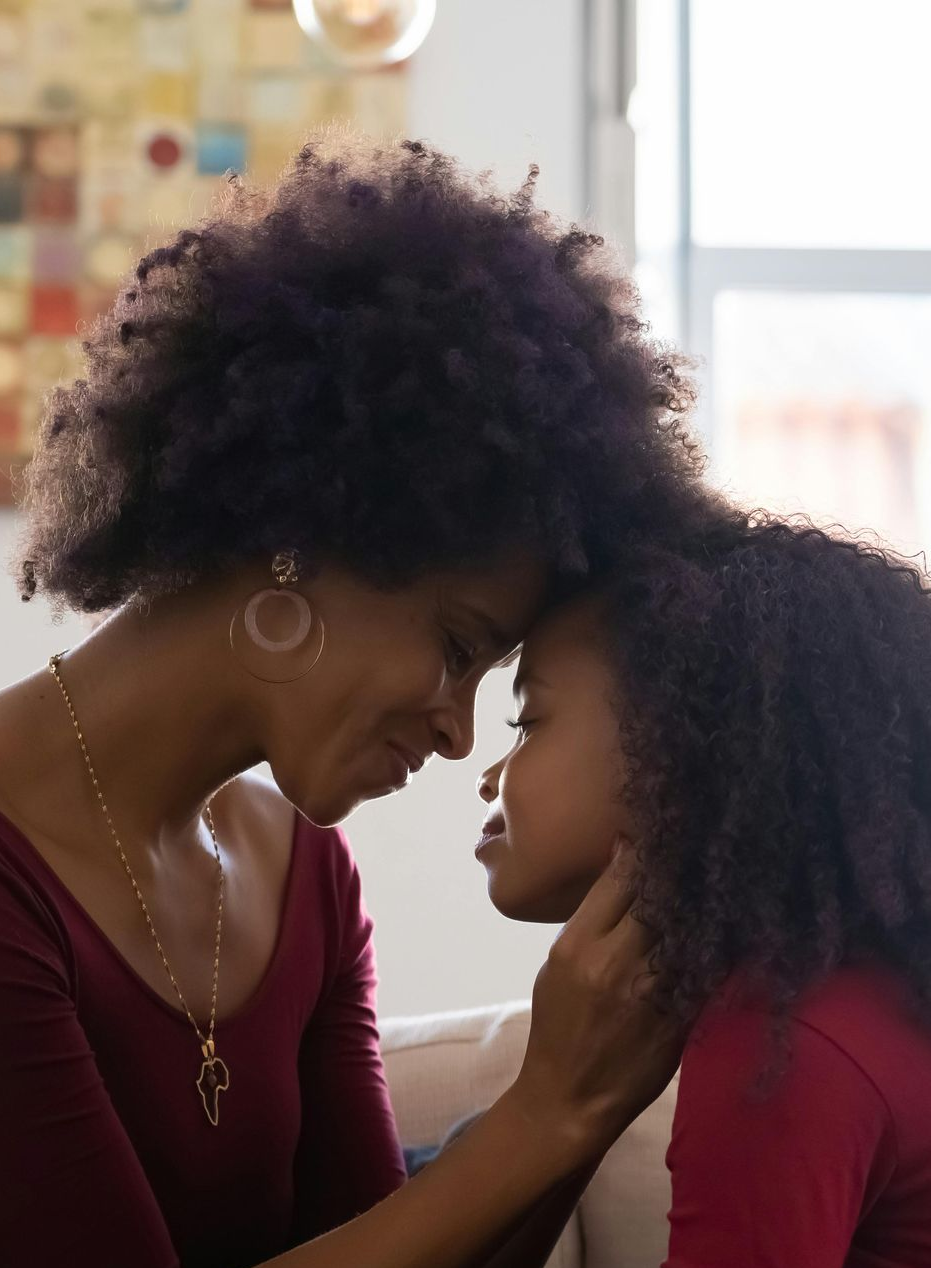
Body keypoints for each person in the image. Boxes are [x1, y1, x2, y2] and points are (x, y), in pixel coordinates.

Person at [0, 133, 701, 1268]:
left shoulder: (307, 878)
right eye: (458, 645)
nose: (457, 729)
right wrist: (544, 1111)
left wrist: (592, 1093)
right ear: (305, 538)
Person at [476, 512, 931, 1267]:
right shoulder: (867, 992)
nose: (488, 774)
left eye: (527, 722)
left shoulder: (778, 1043)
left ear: (682, 757)